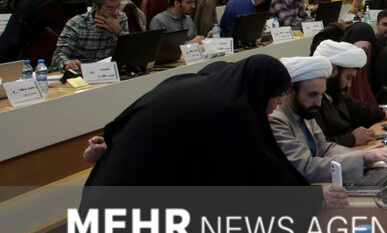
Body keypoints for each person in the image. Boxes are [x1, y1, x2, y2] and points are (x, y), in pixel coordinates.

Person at [81, 55, 339, 194]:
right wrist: (311, 199)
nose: (276, 106)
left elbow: (127, 121)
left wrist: (110, 144)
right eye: (277, 97)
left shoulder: (187, 86)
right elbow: (260, 166)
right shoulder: (229, 111)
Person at [270, 56, 387, 183]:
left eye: (321, 95)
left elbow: (324, 148)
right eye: (313, 95)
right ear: (290, 92)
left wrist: (362, 156)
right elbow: (304, 168)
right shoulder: (276, 120)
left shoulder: (304, 109)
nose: (318, 103)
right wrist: (362, 159)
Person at [313, 40, 386, 148]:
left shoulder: (335, 94)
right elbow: (318, 145)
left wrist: (385, 114)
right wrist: (353, 139)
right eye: (348, 77)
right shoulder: (313, 100)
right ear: (333, 71)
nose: (349, 84)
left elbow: (360, 108)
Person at [51, 0, 131, 72]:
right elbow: (58, 55)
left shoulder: (121, 18)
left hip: (107, 71)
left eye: (118, 7)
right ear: (95, 7)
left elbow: (129, 51)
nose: (116, 12)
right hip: (80, 71)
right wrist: (68, 64)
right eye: (110, 8)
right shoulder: (77, 23)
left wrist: (119, 32)